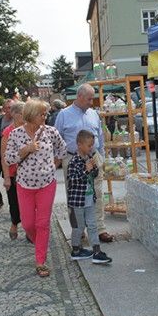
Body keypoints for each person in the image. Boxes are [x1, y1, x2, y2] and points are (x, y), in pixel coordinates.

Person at [5, 99, 67, 277]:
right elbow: (9, 158)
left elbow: (63, 150)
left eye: (45, 114)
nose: (45, 117)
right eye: (42, 114)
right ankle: (38, 241)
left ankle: (40, 260)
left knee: (42, 223)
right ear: (32, 115)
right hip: (24, 185)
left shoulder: (51, 132)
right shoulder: (16, 134)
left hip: (47, 184)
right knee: (28, 224)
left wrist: (54, 165)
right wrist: (26, 149)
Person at [55, 84, 113, 243]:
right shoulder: (64, 114)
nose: (91, 102)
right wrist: (57, 160)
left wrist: (101, 158)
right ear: (79, 96)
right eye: (89, 99)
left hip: (93, 158)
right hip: (72, 159)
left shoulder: (93, 114)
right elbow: (56, 139)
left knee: (98, 193)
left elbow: (100, 137)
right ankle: (78, 230)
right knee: (75, 196)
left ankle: (100, 229)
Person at [67, 130, 112, 264]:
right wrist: (86, 170)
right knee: (79, 227)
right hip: (77, 202)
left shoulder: (88, 158)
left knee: (92, 225)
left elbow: (94, 175)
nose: (91, 148)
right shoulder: (73, 161)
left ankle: (97, 251)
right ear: (79, 144)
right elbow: (73, 180)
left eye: (92, 145)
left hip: (89, 199)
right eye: (89, 145)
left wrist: (94, 168)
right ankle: (76, 250)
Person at [1, 101, 25, 239]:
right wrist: (6, 177)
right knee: (14, 202)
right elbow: (3, 156)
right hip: (12, 173)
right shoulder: (8, 132)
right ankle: (14, 224)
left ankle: (29, 228)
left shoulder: (30, 128)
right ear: (14, 114)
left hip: (28, 173)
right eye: (21, 114)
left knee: (28, 204)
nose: (24, 116)